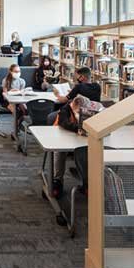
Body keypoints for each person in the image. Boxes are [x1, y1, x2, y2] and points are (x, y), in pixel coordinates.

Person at [48, 66, 102, 197]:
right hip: (66, 135)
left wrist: (58, 95)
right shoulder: (97, 87)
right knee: (59, 151)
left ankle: (87, 183)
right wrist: (77, 127)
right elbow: (63, 122)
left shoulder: (81, 92)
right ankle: (57, 181)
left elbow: (64, 99)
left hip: (82, 138)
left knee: (85, 151)